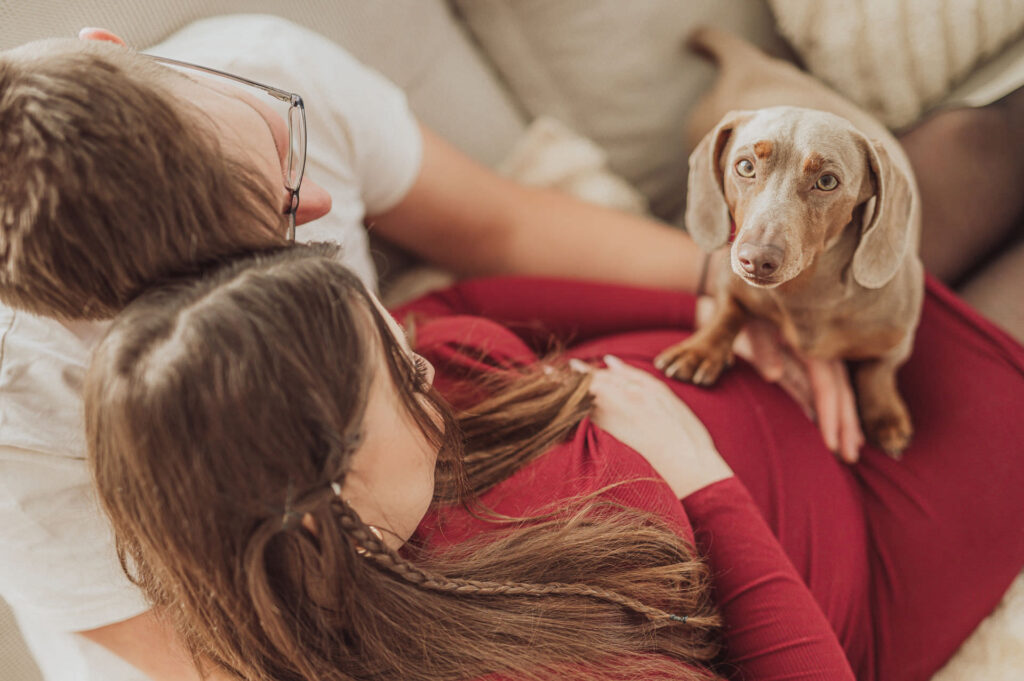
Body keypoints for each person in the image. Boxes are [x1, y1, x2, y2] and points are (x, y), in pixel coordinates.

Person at [85, 243, 1024, 681]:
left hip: (751, 360)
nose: (424, 362)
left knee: (919, 186)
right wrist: (703, 482)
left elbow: (465, 297)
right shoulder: (504, 661)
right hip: (875, 539)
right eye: (401, 381)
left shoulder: (388, 407)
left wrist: (732, 306)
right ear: (335, 510)